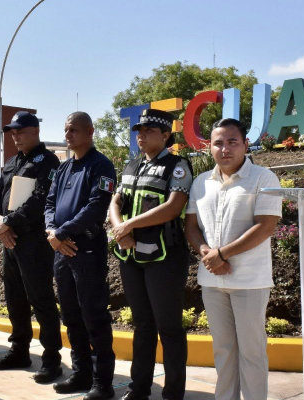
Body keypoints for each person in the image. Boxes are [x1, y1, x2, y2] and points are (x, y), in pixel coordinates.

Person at [185, 118, 281, 400]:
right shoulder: (201, 182)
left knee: (251, 351)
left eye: (232, 142)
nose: (224, 149)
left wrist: (223, 254)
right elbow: (191, 226)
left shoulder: (263, 178)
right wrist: (206, 252)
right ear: (210, 147)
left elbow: (266, 225)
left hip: (250, 281)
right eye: (218, 143)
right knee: (223, 349)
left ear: (245, 144)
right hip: (212, 280)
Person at [108, 109, 193, 400]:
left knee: (168, 327)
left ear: (166, 135)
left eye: (148, 131)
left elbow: (173, 206)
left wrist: (129, 225)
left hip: (165, 258)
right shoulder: (132, 165)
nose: (141, 136)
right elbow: (115, 201)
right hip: (132, 257)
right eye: (139, 131)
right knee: (142, 325)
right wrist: (121, 228)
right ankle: (138, 389)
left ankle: (173, 394)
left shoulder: (177, 165)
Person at [45, 111, 116, 400]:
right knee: (71, 315)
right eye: (65, 130)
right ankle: (81, 373)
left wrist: (62, 233)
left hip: (86, 249)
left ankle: (102, 382)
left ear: (90, 132)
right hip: (61, 250)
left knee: (94, 316)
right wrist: (53, 232)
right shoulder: (62, 168)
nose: (68, 135)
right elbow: (50, 202)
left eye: (73, 130)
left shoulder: (102, 166)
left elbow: (97, 208)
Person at [0, 111, 63, 383]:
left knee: (41, 300)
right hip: (10, 240)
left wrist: (9, 222)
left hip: (33, 241)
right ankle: (19, 350)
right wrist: (0, 222)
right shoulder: (12, 161)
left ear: (35, 131)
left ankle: (51, 359)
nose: (15, 136)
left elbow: (42, 199)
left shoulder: (49, 161)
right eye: (12, 132)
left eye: (20, 131)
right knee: (15, 299)